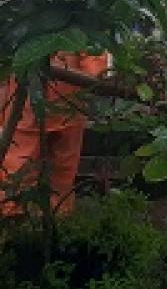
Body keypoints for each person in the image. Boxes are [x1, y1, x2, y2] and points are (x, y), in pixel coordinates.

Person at [1, 51, 109, 216]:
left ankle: (59, 218)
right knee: (19, 167)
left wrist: (97, 75)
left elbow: (93, 55)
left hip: (69, 105)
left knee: (62, 170)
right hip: (28, 104)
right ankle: (14, 220)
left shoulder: (80, 28)